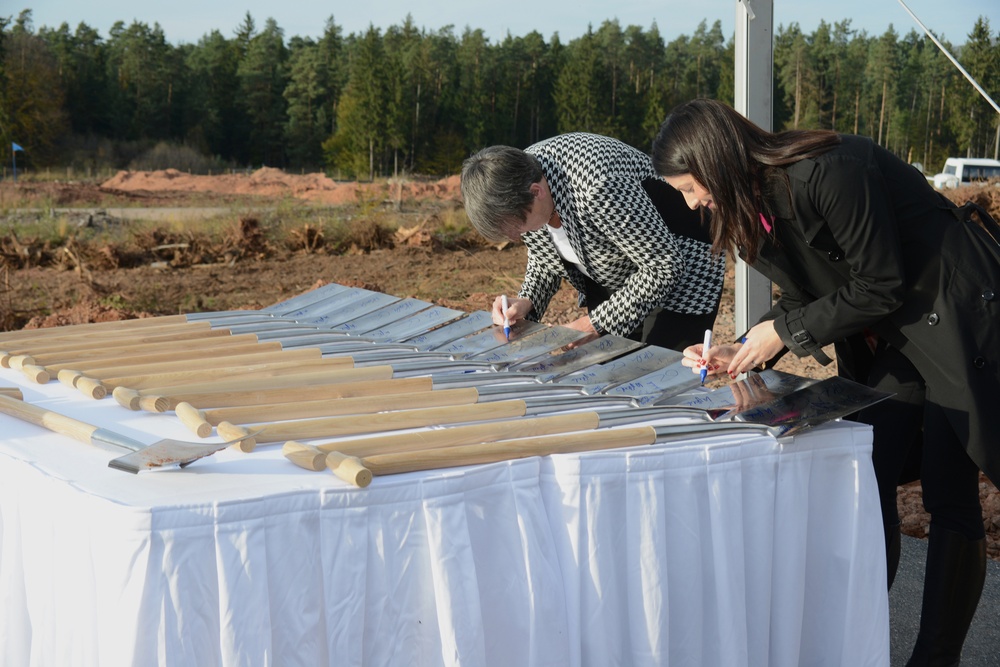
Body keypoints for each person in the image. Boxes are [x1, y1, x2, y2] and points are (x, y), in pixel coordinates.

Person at [651, 98, 1000, 667]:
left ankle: (936, 658)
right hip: (891, 334)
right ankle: (856, 637)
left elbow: (880, 282)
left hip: (952, 319)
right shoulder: (751, 206)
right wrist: (742, 347)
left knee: (948, 490)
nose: (693, 203)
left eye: (691, 187)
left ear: (715, 160)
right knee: (868, 471)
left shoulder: (830, 170)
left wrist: (780, 334)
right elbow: (807, 293)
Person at [459, 132, 725, 352]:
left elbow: (664, 266)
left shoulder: (596, 186)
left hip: (680, 258)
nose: (516, 237)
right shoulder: (520, 180)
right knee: (608, 373)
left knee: (658, 374)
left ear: (536, 193)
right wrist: (526, 301)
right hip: (614, 272)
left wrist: (594, 323)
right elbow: (547, 255)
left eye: (516, 227)